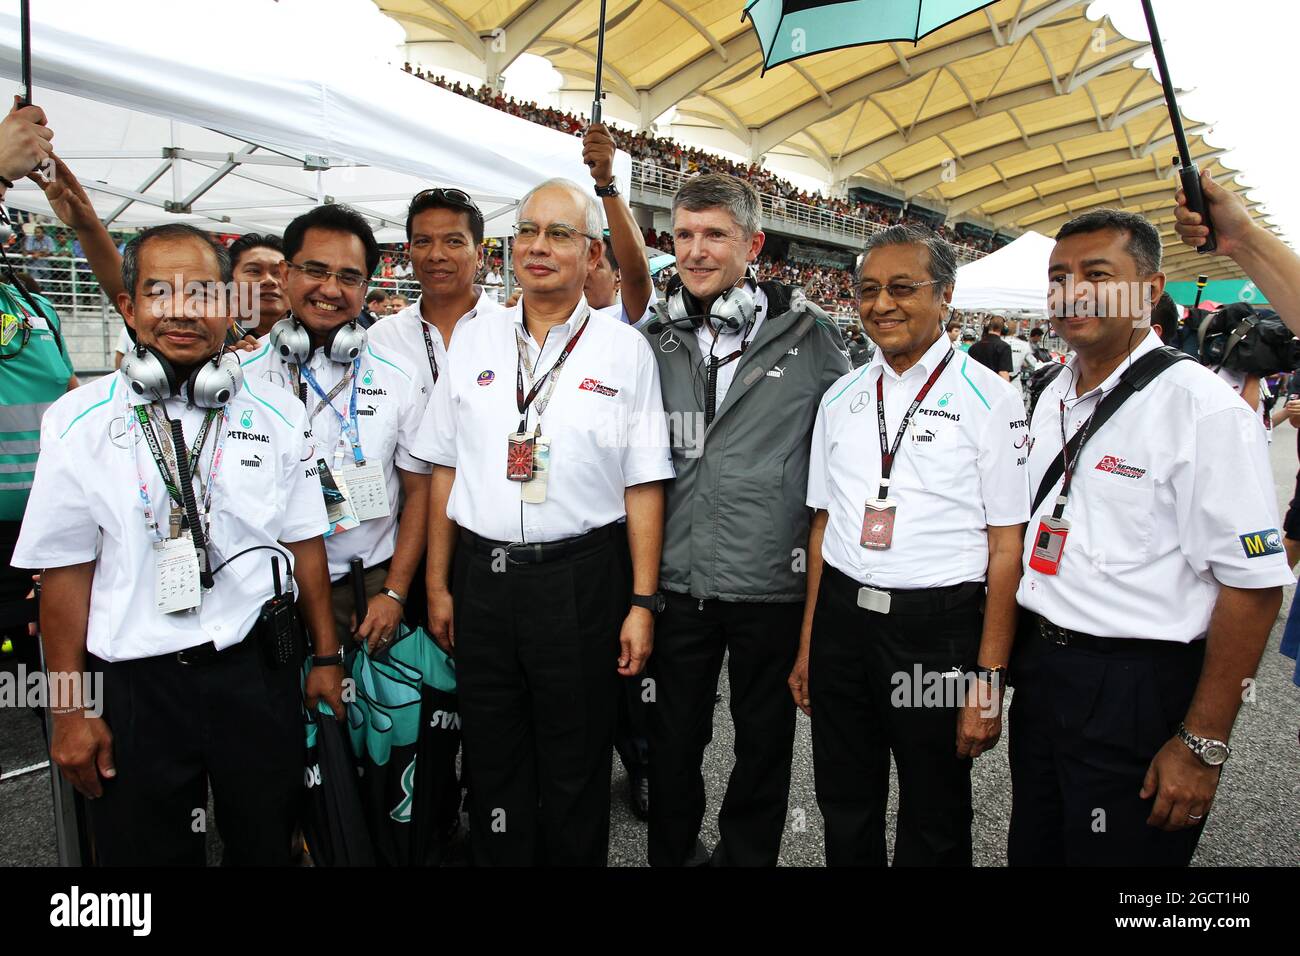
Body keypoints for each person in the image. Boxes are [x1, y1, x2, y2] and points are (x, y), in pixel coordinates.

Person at [13, 223, 343, 865]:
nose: (184, 310)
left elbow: (307, 546)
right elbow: (64, 577)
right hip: (136, 686)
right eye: (160, 292)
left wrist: (326, 659)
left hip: (254, 675)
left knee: (267, 844)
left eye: (203, 292)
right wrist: (69, 713)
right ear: (128, 307)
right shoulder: (75, 423)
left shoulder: (278, 413)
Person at [1010, 208, 1290, 866]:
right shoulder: (1047, 393)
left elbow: (1252, 586)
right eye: (1058, 277)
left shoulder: (1203, 407)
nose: (1070, 290)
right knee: (1034, 850)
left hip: (1138, 690)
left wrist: (1202, 742)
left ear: (1149, 288)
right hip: (1046, 674)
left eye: (1096, 274)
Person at [421, 178, 673, 866]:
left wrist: (643, 603)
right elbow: (444, 465)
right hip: (482, 578)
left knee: (574, 759)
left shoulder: (625, 353)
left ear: (591, 253)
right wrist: (439, 584)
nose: (538, 246)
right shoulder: (472, 340)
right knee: (494, 755)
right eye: (528, 230)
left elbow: (644, 484)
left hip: (581, 581)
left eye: (559, 234)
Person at [799, 224, 1028, 866]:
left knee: (934, 808)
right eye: (868, 289)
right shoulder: (841, 396)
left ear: (946, 294)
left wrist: (988, 682)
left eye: (903, 288)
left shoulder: (994, 399)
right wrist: (809, 645)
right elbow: (823, 527)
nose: (881, 304)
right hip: (843, 622)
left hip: (938, 630)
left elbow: (1006, 549)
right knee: (843, 796)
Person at [640, 173, 850, 867]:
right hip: (678, 579)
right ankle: (673, 856)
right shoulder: (653, 335)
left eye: (715, 235)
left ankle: (748, 858)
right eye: (684, 236)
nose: (696, 252)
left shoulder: (813, 337)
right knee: (672, 739)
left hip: (771, 583)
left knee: (763, 742)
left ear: (753, 244)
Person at [240, 204, 431, 656]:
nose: (331, 289)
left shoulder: (398, 376)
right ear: (286, 273)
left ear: (366, 287)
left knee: (374, 718)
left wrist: (396, 592)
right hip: (263, 590)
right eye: (315, 270)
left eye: (349, 277)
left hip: (368, 587)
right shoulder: (238, 379)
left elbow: (420, 493)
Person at [371, 188, 503, 395]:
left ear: (479, 255)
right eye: (423, 241)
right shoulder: (381, 339)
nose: (436, 255)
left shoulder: (513, 332)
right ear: (410, 252)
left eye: (453, 241)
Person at [581, 123, 654, 325]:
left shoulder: (628, 318)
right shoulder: (557, 321)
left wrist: (605, 183)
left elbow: (637, 272)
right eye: (583, 263)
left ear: (618, 278)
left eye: (598, 265)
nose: (586, 271)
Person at [228, 233, 288, 337]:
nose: (269, 280)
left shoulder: (319, 340)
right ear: (229, 279)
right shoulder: (212, 341)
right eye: (254, 271)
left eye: (278, 272)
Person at [968, 317, 1013, 381]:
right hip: (994, 387)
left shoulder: (973, 347)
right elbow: (1003, 373)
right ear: (1004, 329)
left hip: (975, 386)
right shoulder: (1004, 347)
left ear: (987, 328)